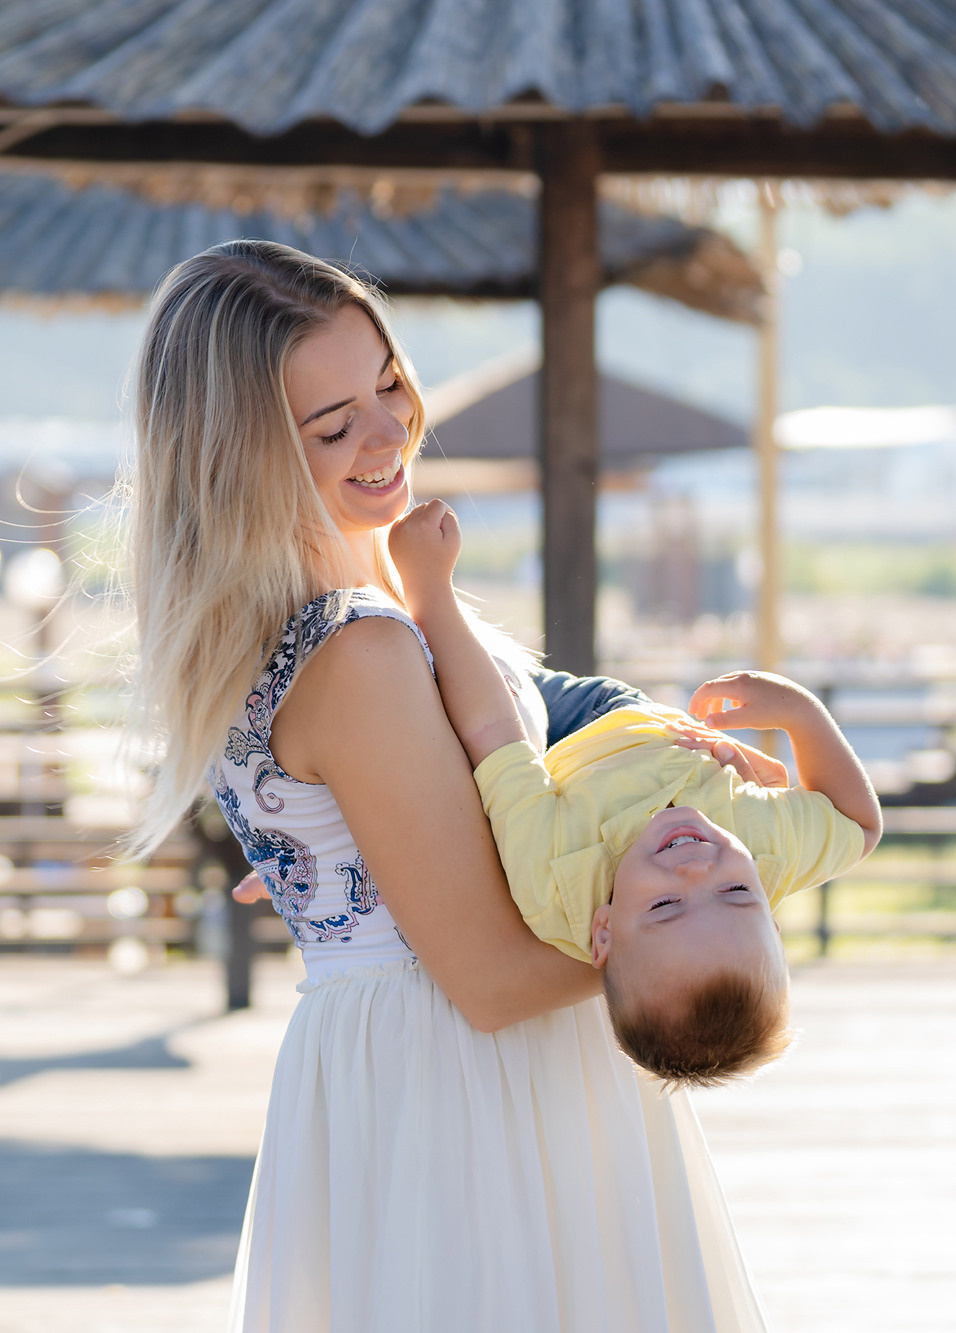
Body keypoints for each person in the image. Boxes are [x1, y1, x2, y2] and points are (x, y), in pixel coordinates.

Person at [130, 237, 775, 1333]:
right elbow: (484, 977)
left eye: (388, 384)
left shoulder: (302, 613)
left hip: (412, 1079)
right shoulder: (356, 646)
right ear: (237, 456)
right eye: (331, 425)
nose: (388, 435)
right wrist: (702, 912)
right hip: (473, 1084)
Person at [387, 499, 882, 1086]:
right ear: (772, 916)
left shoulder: (553, 879)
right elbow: (861, 826)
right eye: (735, 892)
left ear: (603, 932)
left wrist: (432, 592)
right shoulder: (768, 852)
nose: (697, 869)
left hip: (537, 752)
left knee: (415, 672)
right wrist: (801, 715)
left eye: (665, 906)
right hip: (618, 718)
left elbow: (494, 735)